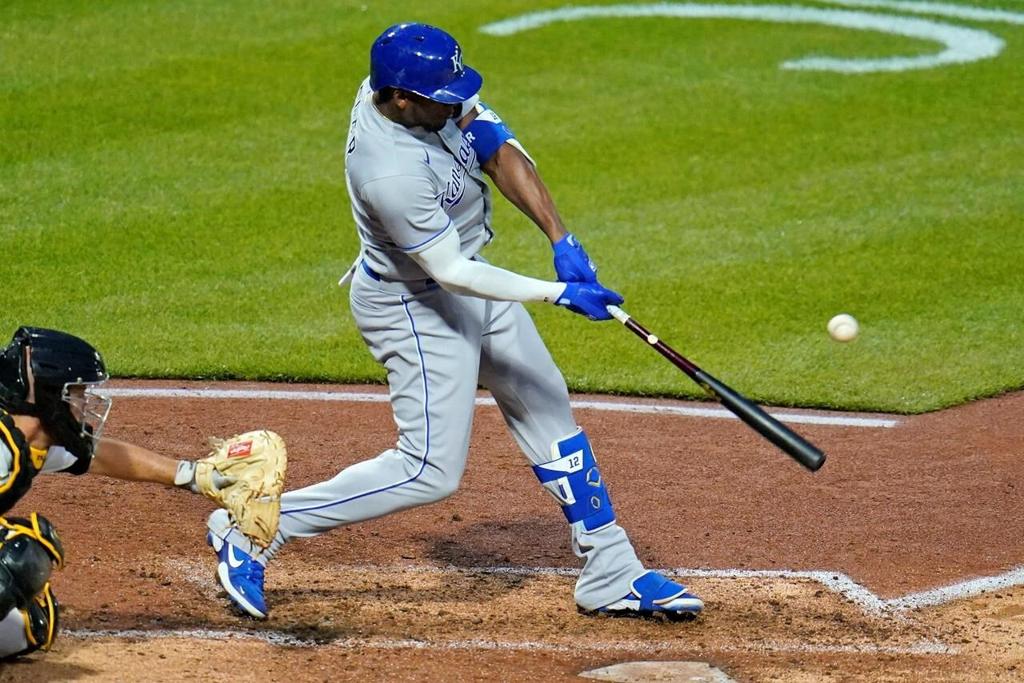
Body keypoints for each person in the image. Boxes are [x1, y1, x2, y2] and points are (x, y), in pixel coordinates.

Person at [205, 22, 704, 621]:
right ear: (399, 99)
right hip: (415, 304)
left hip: (472, 281)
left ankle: (612, 570)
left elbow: (494, 141)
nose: (452, 106)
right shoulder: (388, 170)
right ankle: (253, 528)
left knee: (546, 405)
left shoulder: (423, 93)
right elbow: (451, 271)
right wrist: (558, 293)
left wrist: (560, 236)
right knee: (427, 472)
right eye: (439, 101)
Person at [0, 326, 236, 659]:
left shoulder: (26, 443)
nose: (85, 405)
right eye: (78, 394)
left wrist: (192, 475)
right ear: (49, 396)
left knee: (28, 626)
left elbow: (99, 456)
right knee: (17, 558)